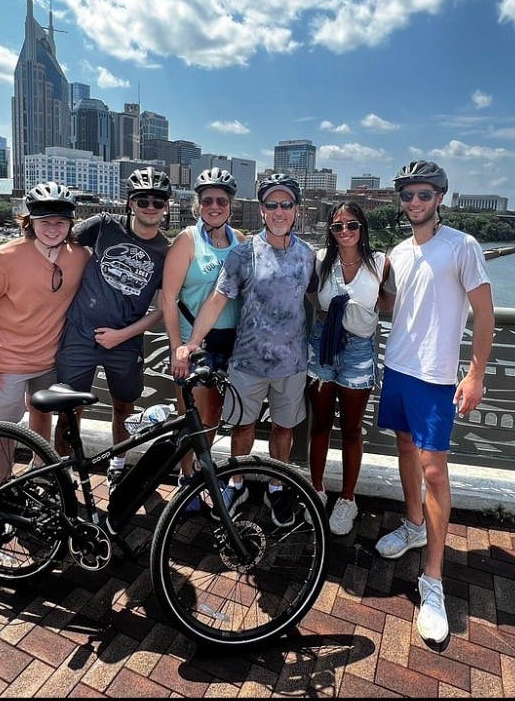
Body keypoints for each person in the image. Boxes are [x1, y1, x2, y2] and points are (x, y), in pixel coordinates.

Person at [376, 159, 495, 646]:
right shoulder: (398, 252)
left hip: (436, 376)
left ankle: (433, 582)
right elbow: (390, 307)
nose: (414, 203)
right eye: (407, 195)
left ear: (440, 197)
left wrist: (475, 374)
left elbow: (485, 314)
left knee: (434, 471)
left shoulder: (462, 246)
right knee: (405, 448)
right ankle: (413, 523)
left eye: (423, 194)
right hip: (398, 367)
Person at [175, 173, 316, 526]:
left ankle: (277, 486)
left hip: (292, 363)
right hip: (248, 362)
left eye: (286, 205)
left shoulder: (308, 255)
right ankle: (236, 483)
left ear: (296, 210)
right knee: (243, 428)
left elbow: (319, 299)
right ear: (262, 210)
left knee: (284, 430)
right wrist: (191, 343)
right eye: (272, 205)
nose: (279, 211)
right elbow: (217, 299)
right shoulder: (243, 253)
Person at [56, 166, 172, 486]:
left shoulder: (167, 252)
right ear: (130, 203)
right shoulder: (104, 225)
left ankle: (118, 464)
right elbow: (56, 239)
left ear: (166, 207)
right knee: (70, 408)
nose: (151, 207)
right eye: (143, 200)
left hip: (125, 340)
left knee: (124, 407)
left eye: (158, 202)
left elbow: (161, 311)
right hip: (80, 332)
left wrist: (122, 335)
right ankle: (62, 472)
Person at [0, 182, 87, 477]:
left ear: (70, 224)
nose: (53, 229)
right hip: (7, 361)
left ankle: (40, 474)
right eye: (45, 222)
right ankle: (1, 491)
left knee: (41, 418)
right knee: (3, 431)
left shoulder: (79, 256)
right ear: (30, 221)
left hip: (49, 358)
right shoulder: (5, 258)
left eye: (60, 222)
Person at [160, 167, 243, 507]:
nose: (214, 206)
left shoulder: (239, 240)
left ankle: (201, 473)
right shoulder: (187, 241)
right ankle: (186, 476)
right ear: (198, 205)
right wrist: (175, 346)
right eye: (207, 200)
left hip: (231, 340)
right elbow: (167, 297)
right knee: (190, 415)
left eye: (221, 200)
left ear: (230, 205)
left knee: (212, 418)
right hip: (195, 343)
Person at [306, 202, 391, 535]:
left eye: (351, 225)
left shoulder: (380, 263)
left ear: (362, 228)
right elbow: (313, 295)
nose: (345, 232)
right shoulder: (320, 261)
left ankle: (347, 498)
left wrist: (358, 315)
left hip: (358, 349)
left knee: (352, 428)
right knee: (321, 423)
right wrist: (332, 317)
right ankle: (316, 489)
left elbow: (390, 300)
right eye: (337, 227)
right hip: (322, 343)